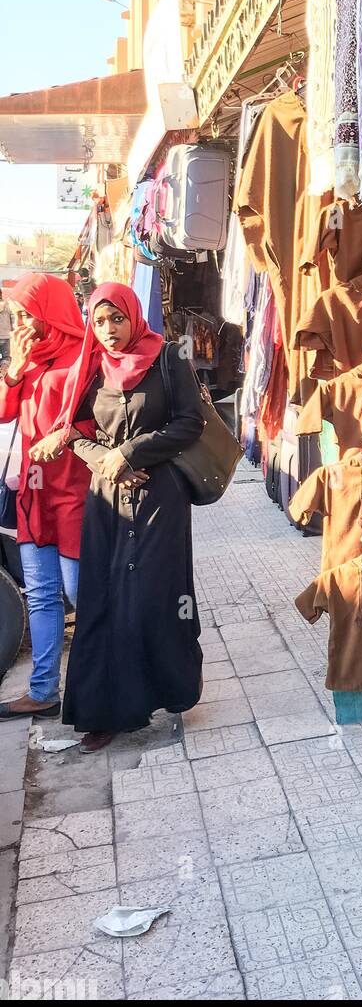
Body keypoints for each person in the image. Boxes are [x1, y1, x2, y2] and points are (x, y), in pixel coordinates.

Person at [31, 282, 205, 753]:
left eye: (117, 319)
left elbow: (191, 423)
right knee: (104, 598)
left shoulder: (167, 358)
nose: (108, 330)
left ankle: (168, 691)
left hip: (160, 498)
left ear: (133, 317)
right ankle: (105, 712)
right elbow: (75, 432)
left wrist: (130, 452)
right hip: (107, 498)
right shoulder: (90, 368)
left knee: (155, 596)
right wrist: (107, 461)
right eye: (100, 321)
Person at [0, 274, 90, 722]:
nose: (18, 322)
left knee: (80, 593)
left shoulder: (84, 356)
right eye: (14, 315)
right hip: (34, 494)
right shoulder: (29, 359)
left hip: (74, 492)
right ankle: (42, 690)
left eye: (24, 313)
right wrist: (14, 368)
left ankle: (98, 688)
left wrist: (68, 434)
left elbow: (105, 418)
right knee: (40, 595)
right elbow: (3, 411)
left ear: (48, 311)